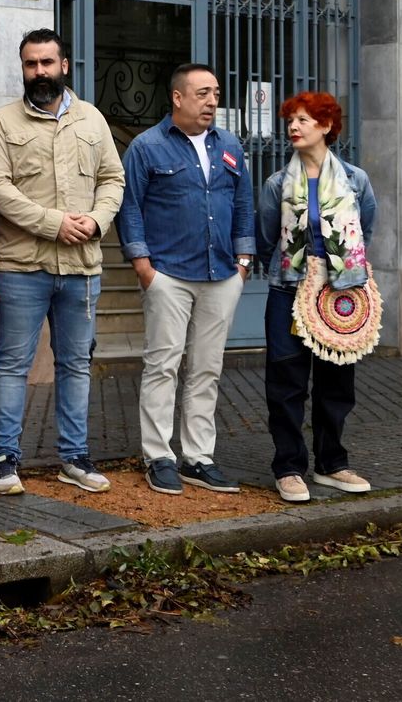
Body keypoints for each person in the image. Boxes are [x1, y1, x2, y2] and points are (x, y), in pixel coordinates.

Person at [0, 29, 124, 497]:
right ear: (22, 68)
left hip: (82, 267)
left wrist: (99, 222)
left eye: (47, 62)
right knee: (11, 364)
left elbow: (112, 180)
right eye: (30, 64)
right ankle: (4, 458)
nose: (39, 71)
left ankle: (74, 457)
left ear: (65, 65)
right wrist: (54, 223)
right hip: (23, 267)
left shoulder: (93, 120)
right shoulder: (3, 123)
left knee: (76, 364)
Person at [117, 64, 254, 497]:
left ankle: (199, 457)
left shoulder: (229, 144)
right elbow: (130, 208)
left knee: (207, 368)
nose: (212, 101)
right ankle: (159, 456)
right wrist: (142, 266)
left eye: (215, 93)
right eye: (202, 93)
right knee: (162, 366)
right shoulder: (147, 147)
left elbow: (244, 201)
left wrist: (245, 259)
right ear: (177, 98)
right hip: (169, 274)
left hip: (222, 273)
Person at [256, 91, 378, 504]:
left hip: (341, 294)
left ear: (326, 126)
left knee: (336, 380)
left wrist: (340, 269)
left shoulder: (355, 180)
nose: (294, 127)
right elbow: (266, 238)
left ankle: (332, 463)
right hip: (287, 290)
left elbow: (366, 229)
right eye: (291, 120)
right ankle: (289, 467)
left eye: (304, 120)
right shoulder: (277, 184)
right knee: (286, 380)